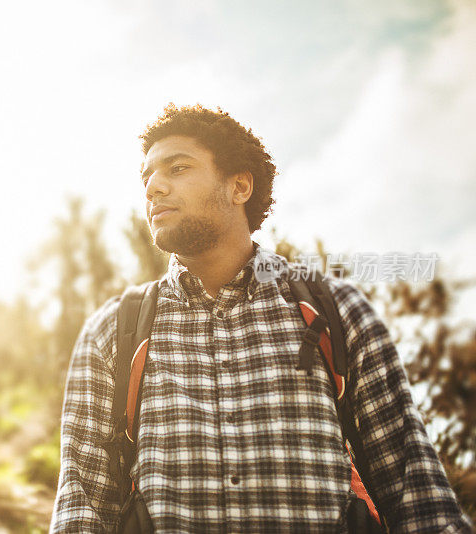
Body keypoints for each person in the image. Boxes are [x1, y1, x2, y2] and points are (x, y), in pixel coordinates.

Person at [50, 104, 472, 532]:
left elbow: (413, 488)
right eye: (147, 177)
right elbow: (81, 505)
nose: (154, 188)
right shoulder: (112, 333)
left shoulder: (337, 311)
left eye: (177, 168)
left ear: (240, 187)